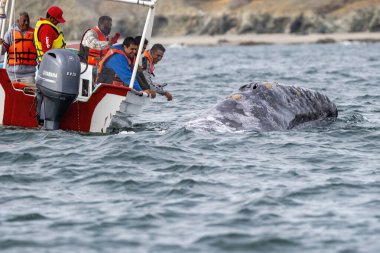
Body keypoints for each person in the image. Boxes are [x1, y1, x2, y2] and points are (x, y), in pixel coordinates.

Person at [0, 12, 37, 85]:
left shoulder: (34, 34)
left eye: (28, 21)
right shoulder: (10, 33)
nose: (26, 23)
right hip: (12, 75)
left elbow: (39, 51)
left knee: (29, 96)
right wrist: (0, 45)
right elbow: (2, 51)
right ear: (18, 21)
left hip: (29, 76)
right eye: (24, 20)